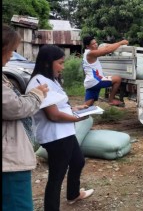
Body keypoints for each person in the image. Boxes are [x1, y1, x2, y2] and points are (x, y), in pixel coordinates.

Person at [26, 45, 94, 211]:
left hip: (65, 133)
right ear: (48, 63)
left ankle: (73, 194)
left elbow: (59, 105)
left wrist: (75, 109)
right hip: (55, 136)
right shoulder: (39, 82)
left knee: (78, 161)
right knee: (56, 176)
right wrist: (77, 118)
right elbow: (53, 115)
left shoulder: (50, 79)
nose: (63, 67)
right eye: (60, 63)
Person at [2, 24, 49, 211]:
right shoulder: (38, 81)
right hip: (9, 160)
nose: (12, 56)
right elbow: (15, 107)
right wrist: (37, 95)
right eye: (11, 50)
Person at [82, 36, 129, 107]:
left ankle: (78, 115)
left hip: (90, 83)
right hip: (97, 81)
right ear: (87, 46)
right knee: (117, 79)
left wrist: (111, 45)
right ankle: (111, 100)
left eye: (96, 42)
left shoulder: (87, 53)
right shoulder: (91, 53)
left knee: (87, 106)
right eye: (93, 44)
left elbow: (106, 47)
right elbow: (107, 50)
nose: (96, 44)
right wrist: (121, 43)